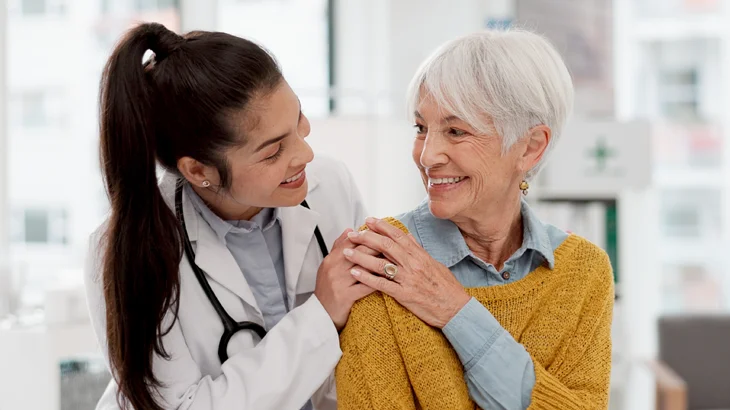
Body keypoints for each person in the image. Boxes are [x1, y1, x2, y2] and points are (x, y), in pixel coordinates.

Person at [84, 23, 376, 410]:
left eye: (298, 121)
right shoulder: (127, 250)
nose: (305, 155)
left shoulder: (331, 185)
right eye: (273, 152)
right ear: (199, 172)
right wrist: (320, 317)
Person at [335, 29, 614, 409]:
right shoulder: (381, 261)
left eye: (456, 131)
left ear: (531, 147)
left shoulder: (583, 271)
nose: (428, 155)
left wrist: (455, 311)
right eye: (421, 128)